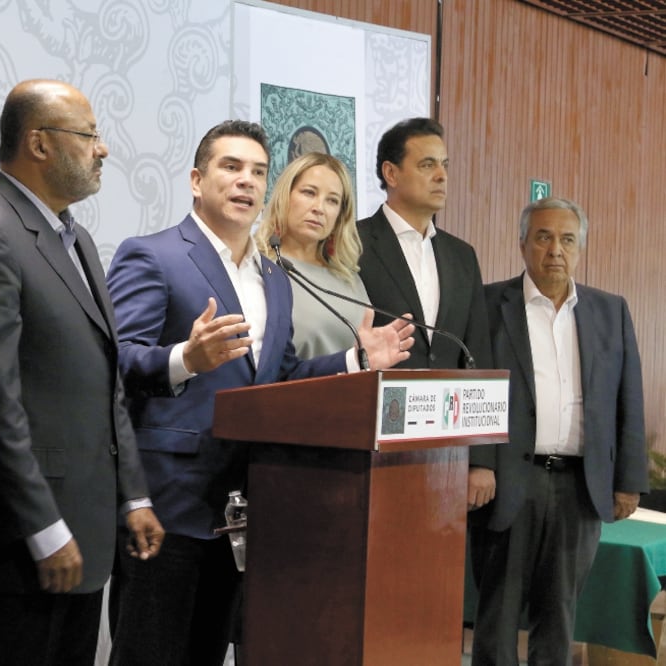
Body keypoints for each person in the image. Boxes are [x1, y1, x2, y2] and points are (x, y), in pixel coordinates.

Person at [105, 120, 415, 666]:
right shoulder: (152, 255)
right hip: (167, 501)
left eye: (257, 172)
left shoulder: (273, 278)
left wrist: (359, 359)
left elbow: (280, 376)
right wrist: (185, 358)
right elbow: (117, 363)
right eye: (230, 167)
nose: (245, 181)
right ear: (197, 180)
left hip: (241, 506)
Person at [0, 79, 165, 666]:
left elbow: (105, 377)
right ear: (39, 144)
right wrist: (43, 528)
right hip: (24, 544)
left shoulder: (77, 237)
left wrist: (132, 495)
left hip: (86, 532)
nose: (103, 149)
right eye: (88, 134)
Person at [470, 197, 648, 665]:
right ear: (523, 243)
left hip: (579, 487)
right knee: (498, 614)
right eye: (544, 237)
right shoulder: (487, 305)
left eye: (567, 239)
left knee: (560, 614)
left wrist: (628, 481)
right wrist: (477, 465)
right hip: (508, 483)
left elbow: (629, 398)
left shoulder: (610, 311)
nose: (555, 250)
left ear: (581, 248)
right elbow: (471, 394)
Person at [356, 117, 496, 509]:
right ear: (391, 173)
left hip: (447, 453)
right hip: (373, 445)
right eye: (427, 164)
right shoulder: (355, 242)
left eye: (445, 165)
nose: (441, 176)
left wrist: (482, 458)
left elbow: (476, 353)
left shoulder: (461, 255)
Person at [255, 151, 369, 357]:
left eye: (332, 201)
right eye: (309, 193)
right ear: (285, 196)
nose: (319, 208)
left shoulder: (350, 280)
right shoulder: (257, 266)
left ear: (340, 216)